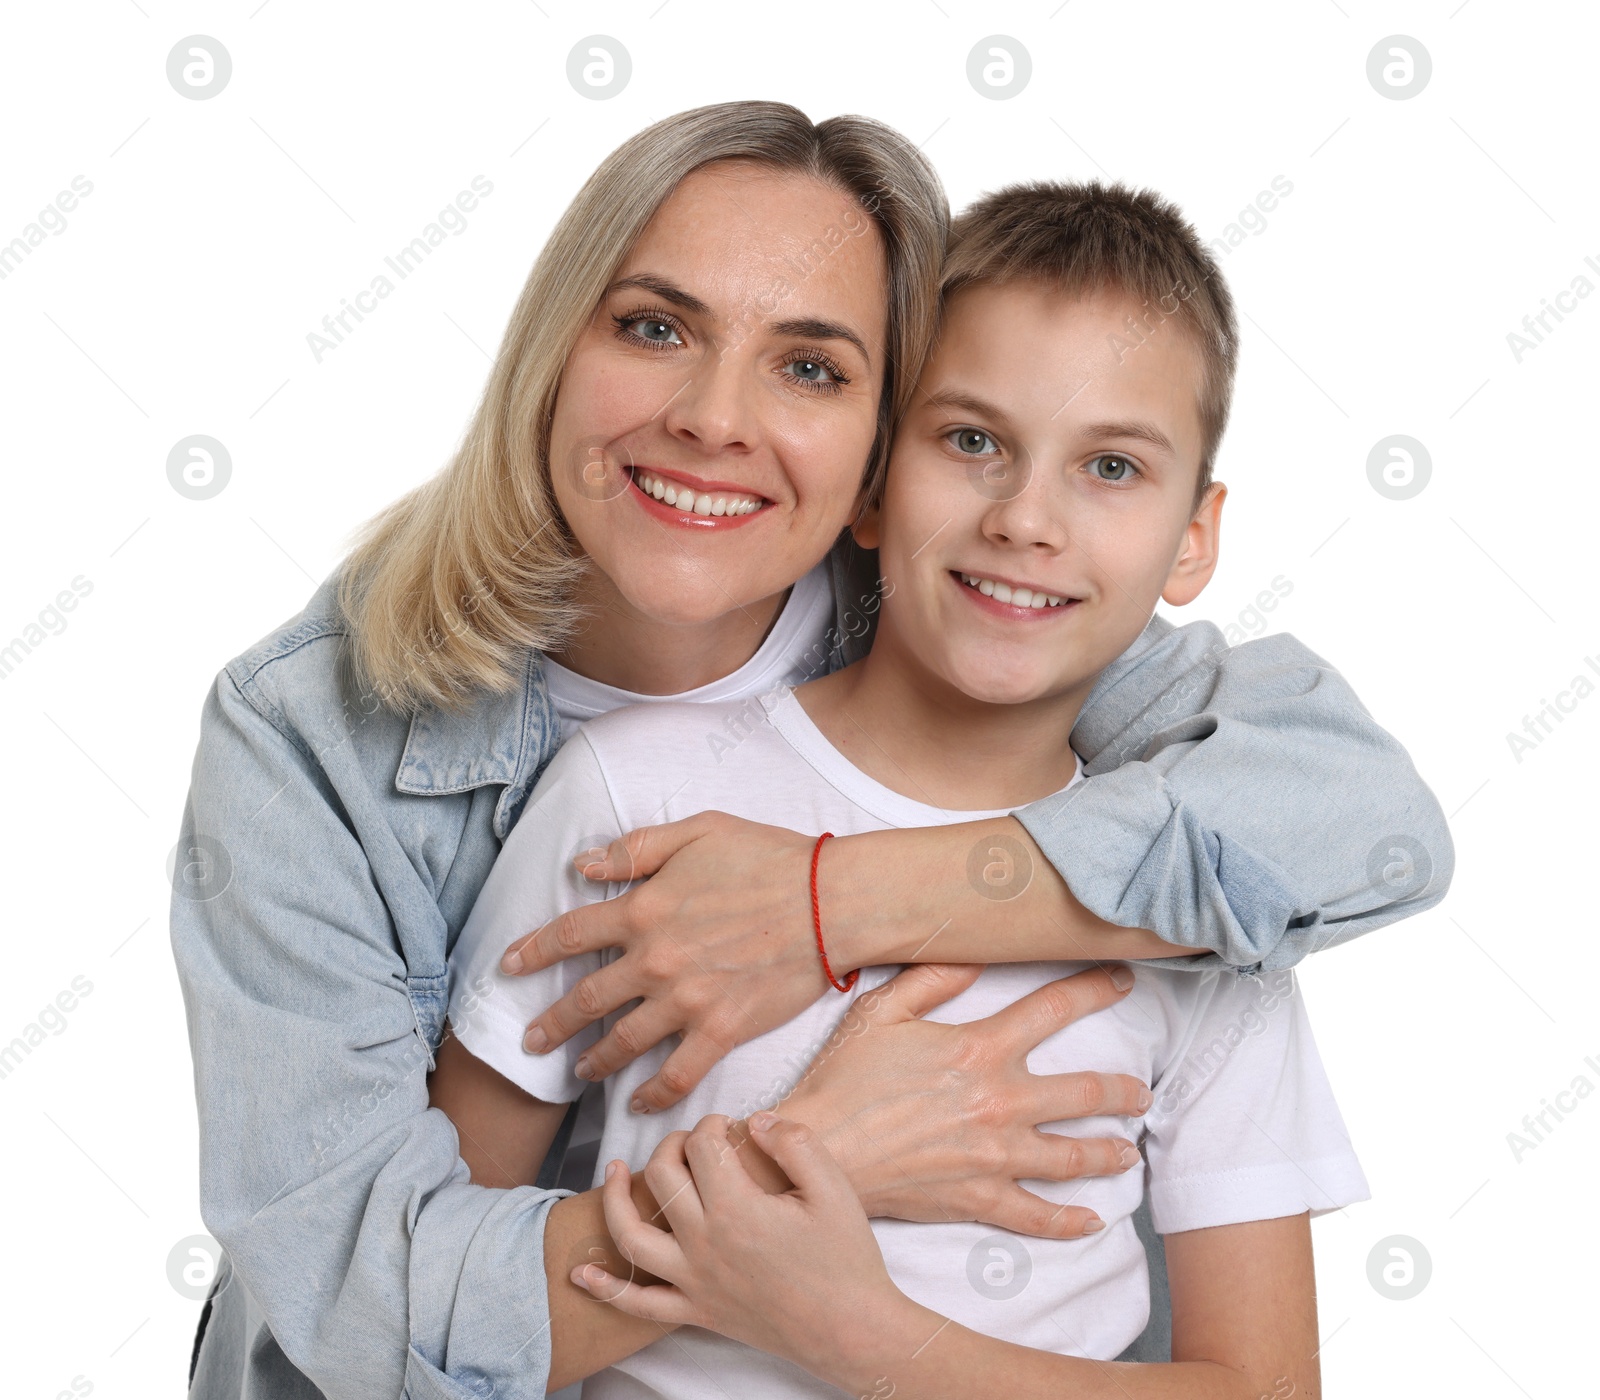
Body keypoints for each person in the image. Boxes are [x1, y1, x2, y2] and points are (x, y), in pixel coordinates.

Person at [171, 102, 1448, 1400]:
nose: (716, 420)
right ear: (553, 345)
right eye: (654, 327)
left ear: (873, 444)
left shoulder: (1004, 631)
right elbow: (373, 1314)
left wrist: (824, 904)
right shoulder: (324, 739)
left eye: (812, 366)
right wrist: (811, 1156)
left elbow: (1351, 824)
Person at [435, 177, 1371, 1396]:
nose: (1026, 519)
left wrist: (860, 1335)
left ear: (1192, 538)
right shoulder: (636, 800)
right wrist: (803, 1162)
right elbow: (444, 1301)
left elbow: (1263, 1389)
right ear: (872, 483)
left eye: (1111, 467)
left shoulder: (1200, 927)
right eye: (970, 441)